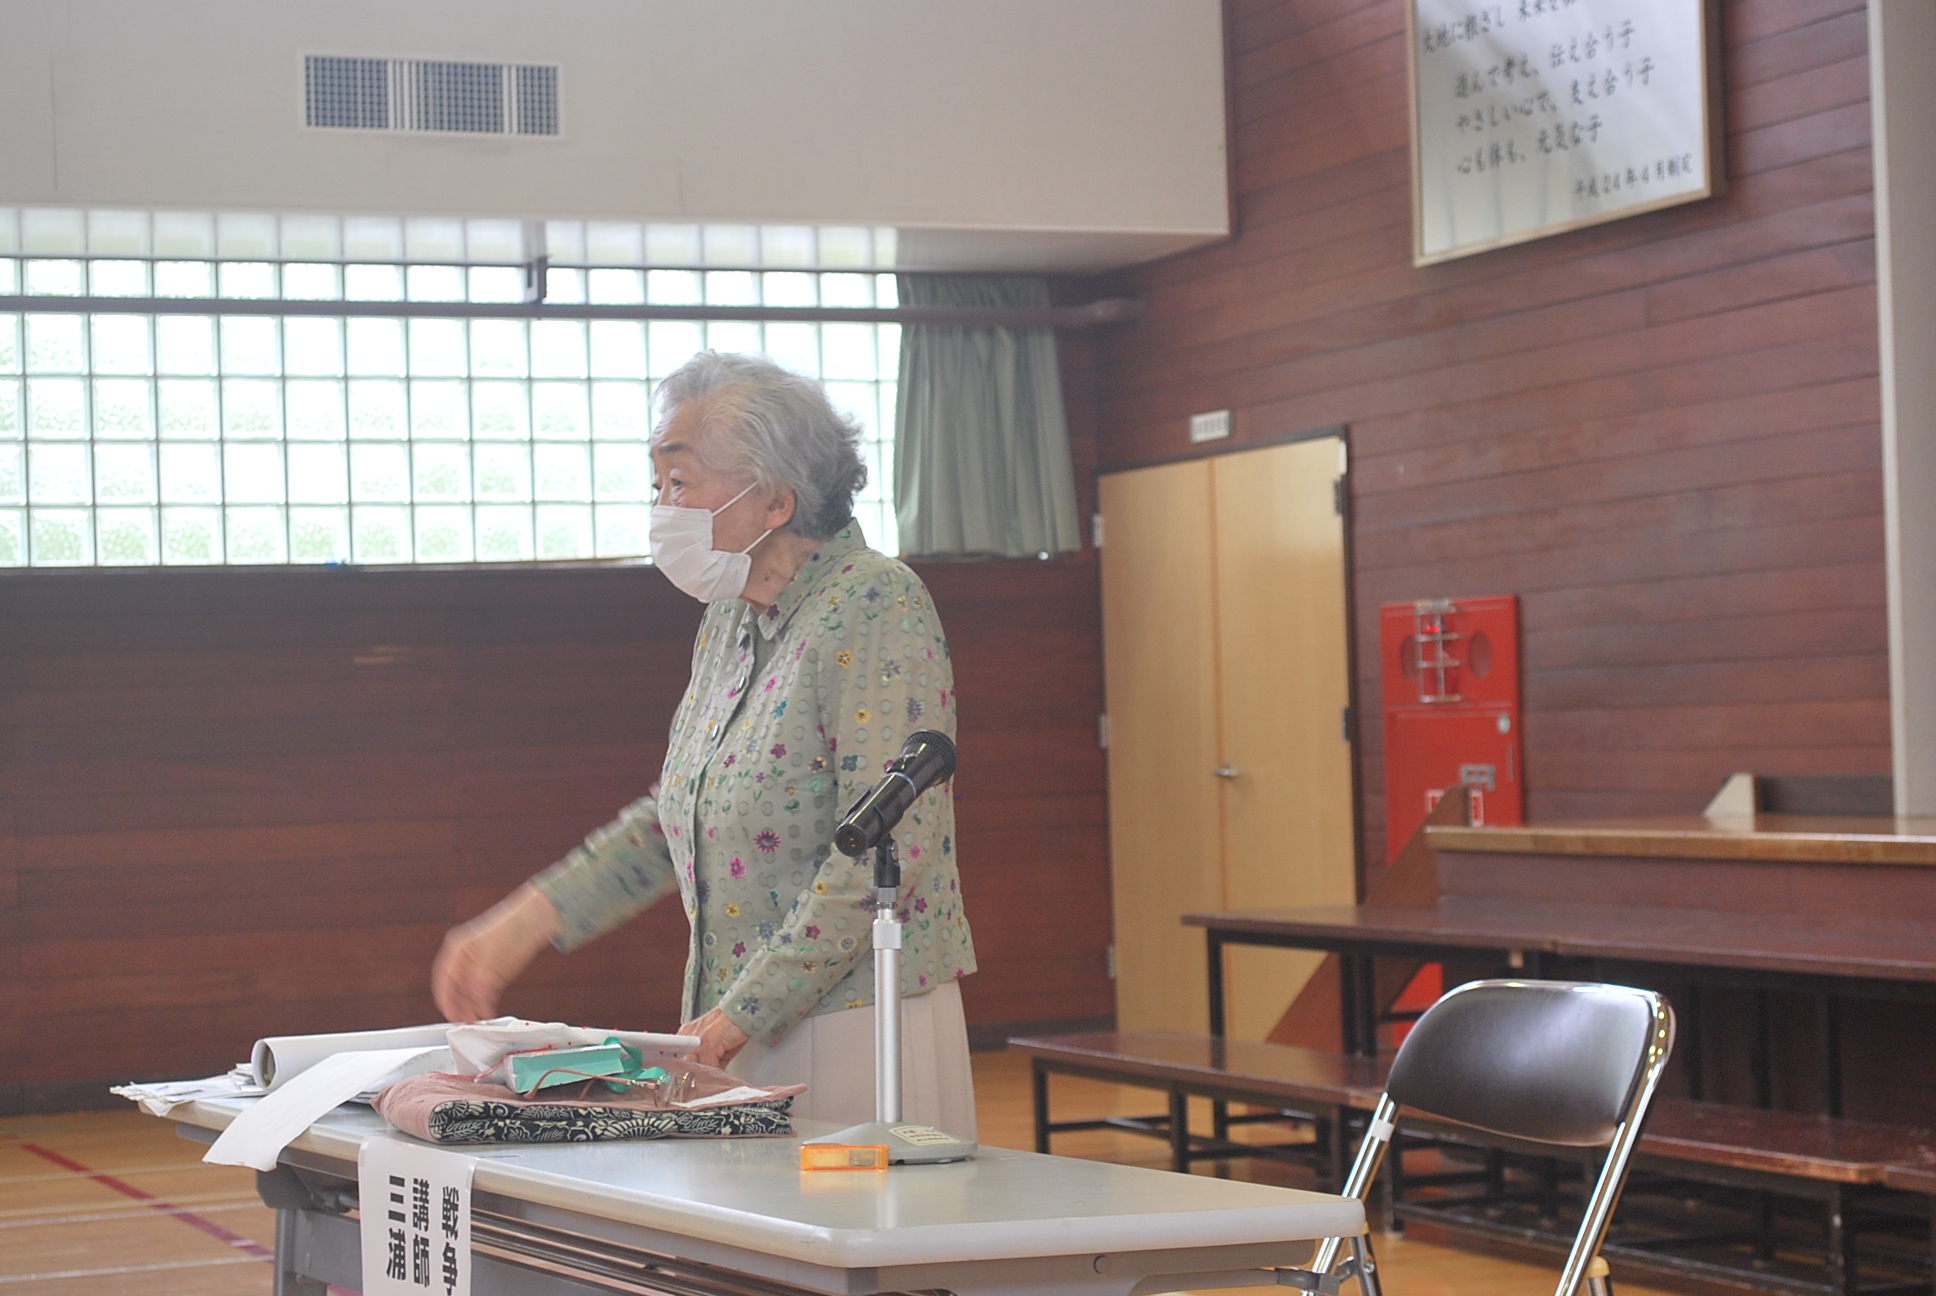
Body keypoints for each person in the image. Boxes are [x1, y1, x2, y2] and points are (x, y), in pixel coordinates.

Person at [430, 352, 978, 1135]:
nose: (662, 508)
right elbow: (678, 815)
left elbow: (888, 842)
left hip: (856, 1017)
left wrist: (742, 1014)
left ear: (777, 500)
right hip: (732, 1021)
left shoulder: (875, 600)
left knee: (853, 1209)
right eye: (656, 485)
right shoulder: (730, 618)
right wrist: (525, 921)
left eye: (680, 482)